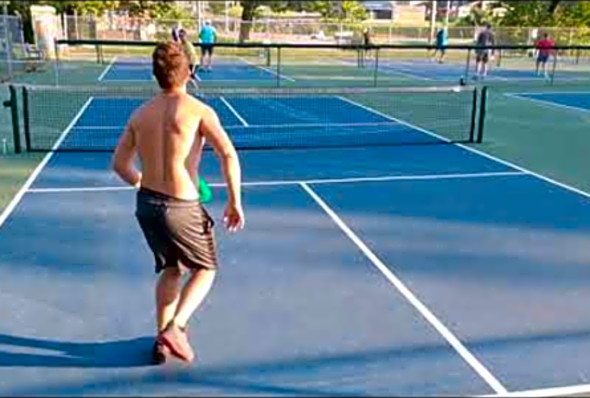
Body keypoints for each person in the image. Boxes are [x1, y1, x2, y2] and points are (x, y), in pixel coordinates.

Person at [112, 41, 244, 365]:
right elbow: (227, 153)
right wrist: (234, 201)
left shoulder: (140, 114)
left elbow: (120, 164)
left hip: (147, 206)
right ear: (188, 72)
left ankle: (161, 339)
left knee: (172, 268)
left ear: (155, 74)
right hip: (181, 207)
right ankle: (176, 327)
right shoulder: (199, 111)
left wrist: (143, 182)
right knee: (205, 269)